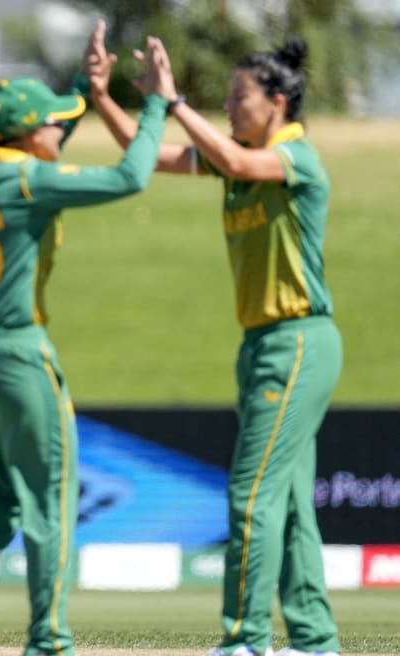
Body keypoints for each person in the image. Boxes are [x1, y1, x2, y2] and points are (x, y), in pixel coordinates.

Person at [0, 31, 177, 656]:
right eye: (53, 125)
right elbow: (133, 176)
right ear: (30, 134)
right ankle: (49, 642)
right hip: (16, 355)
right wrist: (159, 102)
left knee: (11, 490)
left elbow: (50, 135)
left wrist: (86, 88)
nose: (60, 132)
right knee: (53, 496)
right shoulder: (31, 180)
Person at [84, 21, 343, 656]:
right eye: (223, 99)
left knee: (250, 494)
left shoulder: (294, 158)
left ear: (275, 104)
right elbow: (146, 155)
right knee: (287, 504)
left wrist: (174, 103)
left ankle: (244, 639)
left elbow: (233, 159)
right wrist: (109, 100)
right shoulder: (235, 160)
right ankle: (314, 641)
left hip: (299, 339)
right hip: (260, 346)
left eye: (237, 98)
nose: (226, 108)